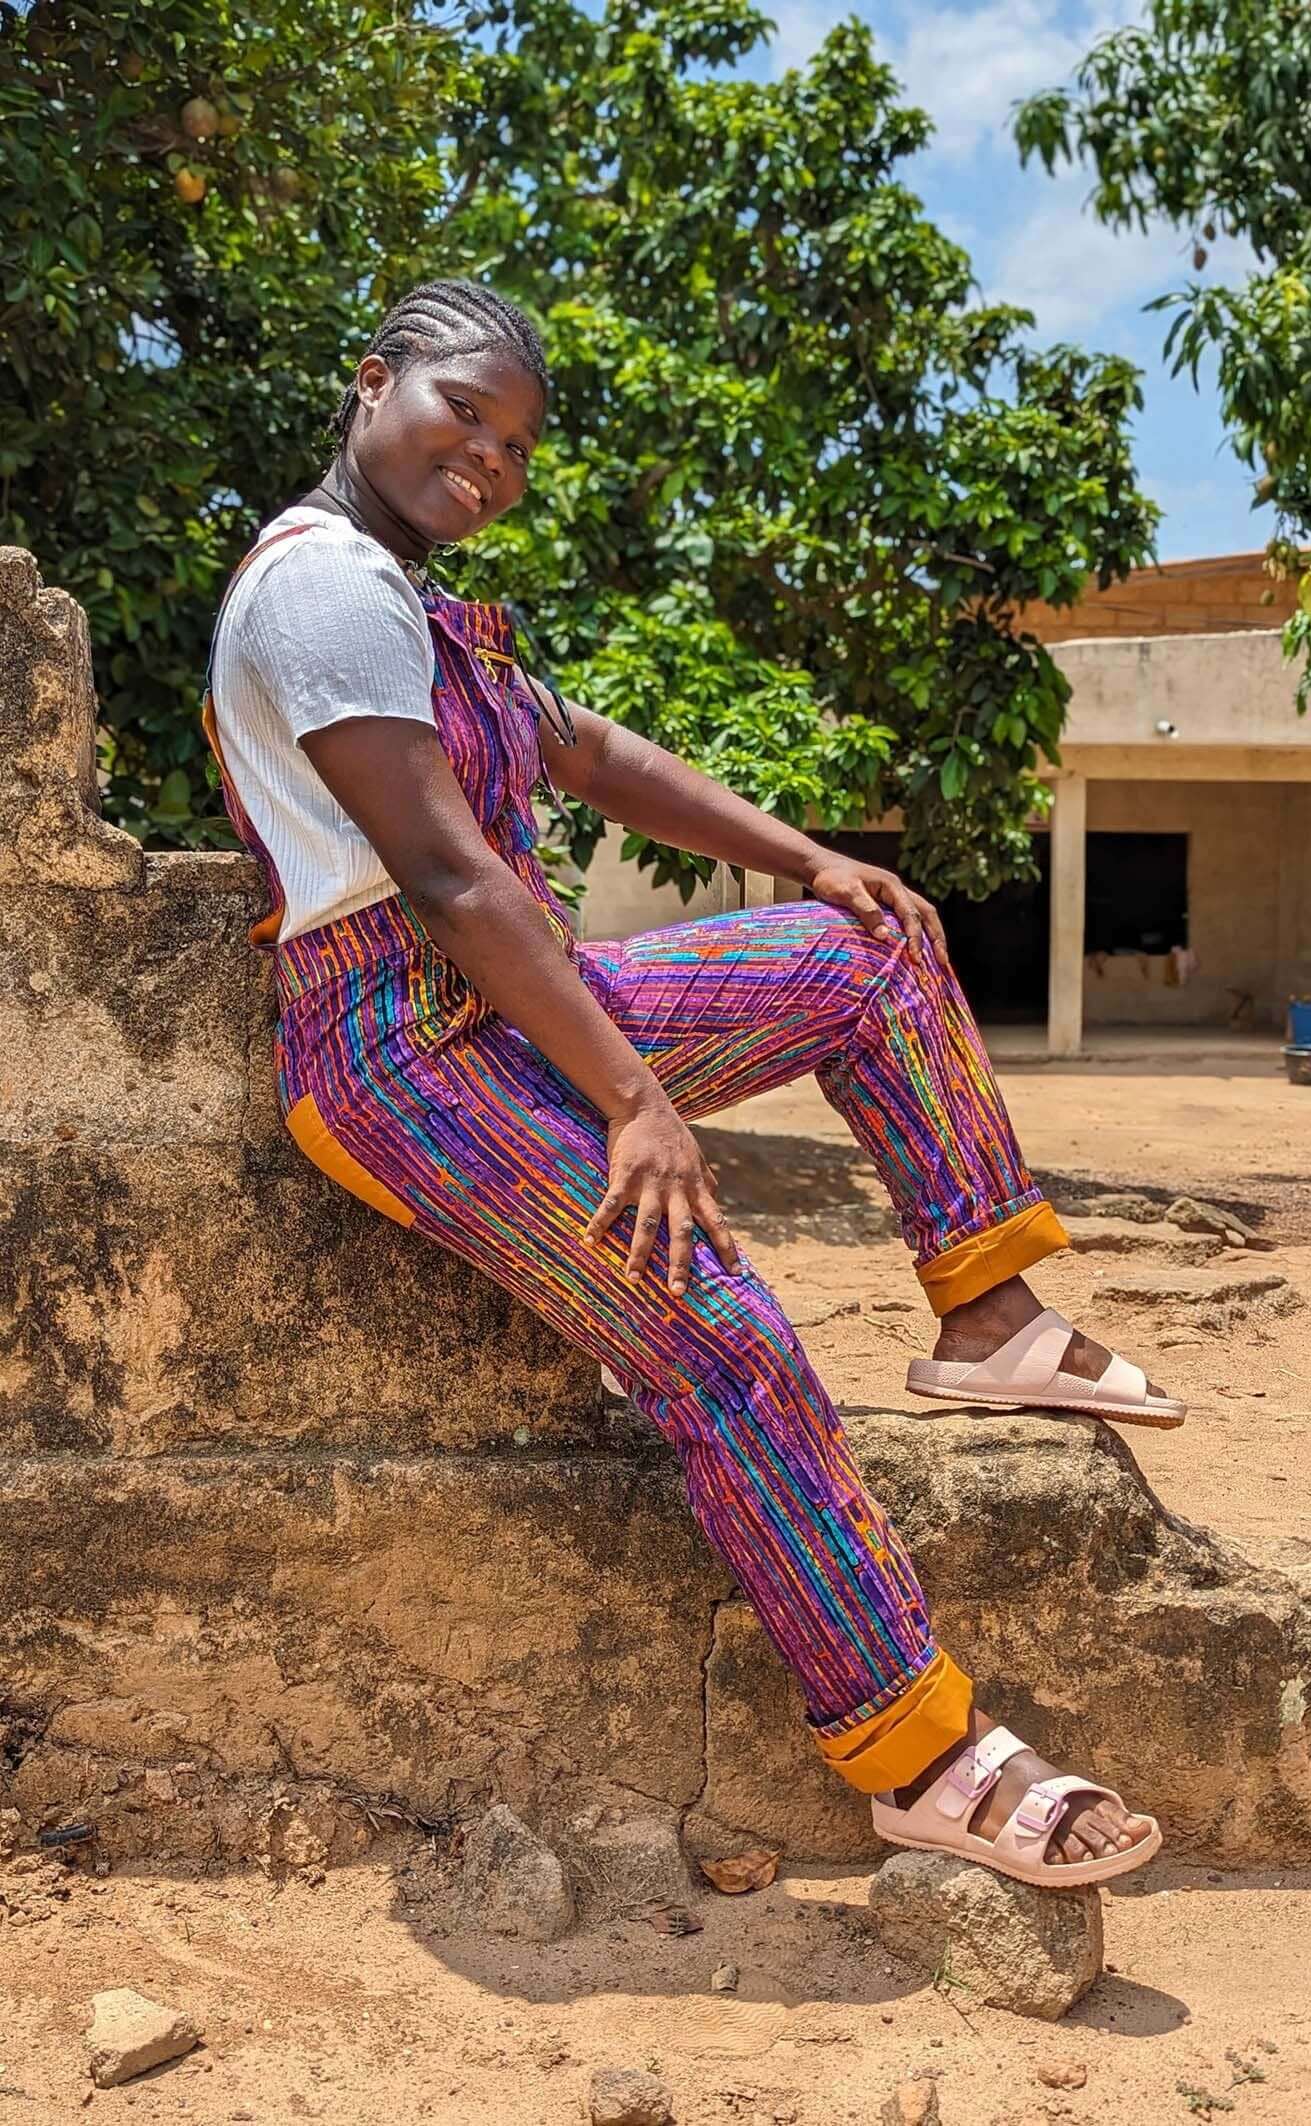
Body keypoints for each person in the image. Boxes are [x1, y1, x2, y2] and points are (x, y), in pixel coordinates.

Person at [204, 278, 1173, 1889]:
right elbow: (447, 876)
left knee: (866, 941)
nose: (491, 459)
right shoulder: (320, 592)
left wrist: (806, 855)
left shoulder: (422, 603)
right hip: (396, 1045)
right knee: (721, 1339)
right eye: (463, 412)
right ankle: (917, 1752)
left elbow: (590, 755)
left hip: (513, 1003)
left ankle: (989, 1318)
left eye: (517, 442)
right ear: (371, 383)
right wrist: (634, 1100)